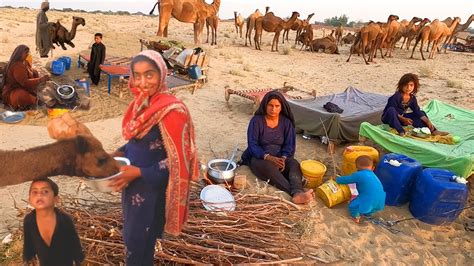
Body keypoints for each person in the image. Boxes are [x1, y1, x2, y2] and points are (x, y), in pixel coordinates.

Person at [109, 50, 199, 265]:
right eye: (137, 75)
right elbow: (139, 142)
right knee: (133, 238)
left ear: (162, 74)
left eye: (149, 75)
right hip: (133, 187)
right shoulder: (141, 104)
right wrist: (119, 153)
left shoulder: (172, 110)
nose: (142, 82)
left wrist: (139, 172)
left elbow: (180, 161)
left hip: (152, 191)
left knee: (140, 241)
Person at [240, 91, 313, 204]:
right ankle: (296, 192)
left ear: (281, 107)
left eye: (277, 106)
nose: (273, 109)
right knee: (269, 168)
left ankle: (297, 191)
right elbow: (252, 145)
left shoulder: (286, 123)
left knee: (294, 164)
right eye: (270, 105)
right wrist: (268, 157)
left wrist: (283, 158)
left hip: (280, 156)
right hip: (259, 157)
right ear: (265, 105)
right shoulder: (256, 121)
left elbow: (289, 145)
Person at [23, 178, 84, 265]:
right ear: (30, 200)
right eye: (35, 192)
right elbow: (28, 247)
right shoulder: (29, 221)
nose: (39, 195)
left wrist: (78, 261)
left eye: (45, 191)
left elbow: (75, 246)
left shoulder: (65, 220)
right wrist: (28, 260)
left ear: (56, 199)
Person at [382, 73, 448, 136]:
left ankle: (433, 130)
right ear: (401, 85)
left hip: (401, 119)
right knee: (391, 109)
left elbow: (417, 111)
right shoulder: (396, 96)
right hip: (389, 118)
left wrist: (428, 121)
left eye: (411, 85)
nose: (408, 88)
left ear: (415, 86)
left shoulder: (412, 98)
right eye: (406, 85)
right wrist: (403, 119)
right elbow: (391, 112)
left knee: (421, 113)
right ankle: (401, 131)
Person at [336, 155, 386, 223]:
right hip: (381, 200)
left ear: (357, 168)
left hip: (368, 199)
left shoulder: (358, 174)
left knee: (353, 206)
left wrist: (338, 179)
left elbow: (347, 179)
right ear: (373, 168)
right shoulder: (373, 175)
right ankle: (367, 214)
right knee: (370, 208)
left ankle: (356, 217)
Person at [1, 45, 50, 110]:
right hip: (13, 90)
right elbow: (24, 82)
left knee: (35, 72)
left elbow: (30, 71)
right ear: (19, 54)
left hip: (23, 85)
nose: (27, 54)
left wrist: (35, 75)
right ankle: (33, 100)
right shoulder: (17, 66)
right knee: (20, 96)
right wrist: (40, 80)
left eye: (28, 52)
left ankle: (32, 94)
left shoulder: (24, 62)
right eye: (25, 53)